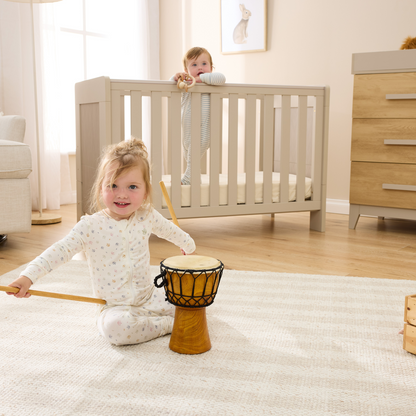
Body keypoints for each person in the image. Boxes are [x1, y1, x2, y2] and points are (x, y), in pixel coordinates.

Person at [6, 138, 196, 346]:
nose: (122, 194)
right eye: (113, 185)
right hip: (113, 307)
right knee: (117, 331)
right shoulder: (90, 226)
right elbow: (59, 250)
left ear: (146, 191)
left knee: (193, 304)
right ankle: (168, 326)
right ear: (100, 188)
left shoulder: (146, 215)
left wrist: (188, 245)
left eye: (132, 187)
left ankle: (159, 318)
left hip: (148, 297)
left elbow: (170, 231)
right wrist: (28, 277)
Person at [170, 47, 226, 185]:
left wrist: (200, 79)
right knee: (188, 154)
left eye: (204, 64)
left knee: (193, 154)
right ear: (186, 70)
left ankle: (189, 178)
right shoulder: (187, 84)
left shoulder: (209, 82)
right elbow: (170, 84)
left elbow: (221, 78)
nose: (199, 67)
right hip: (187, 131)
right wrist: (176, 77)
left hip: (203, 129)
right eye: (194, 65)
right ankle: (195, 176)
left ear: (211, 68)